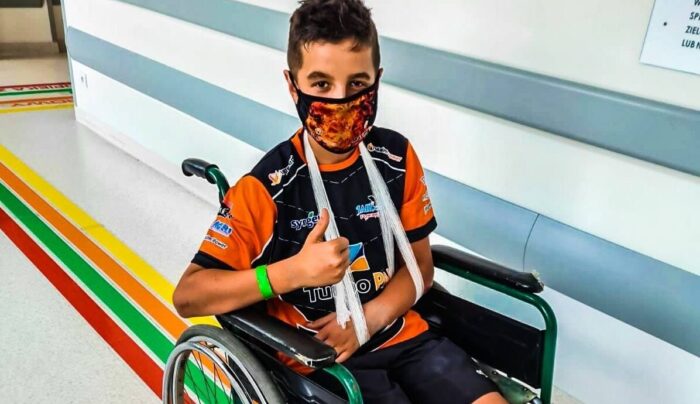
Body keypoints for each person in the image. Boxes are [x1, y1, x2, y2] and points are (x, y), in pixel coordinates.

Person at [173, 1, 506, 403]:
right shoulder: (266, 188)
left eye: (357, 82)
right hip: (323, 360)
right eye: (321, 84)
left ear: (377, 80)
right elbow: (189, 295)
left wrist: (366, 322)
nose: (341, 101)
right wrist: (290, 273)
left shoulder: (396, 159)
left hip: (402, 335)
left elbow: (419, 266)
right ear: (292, 85)